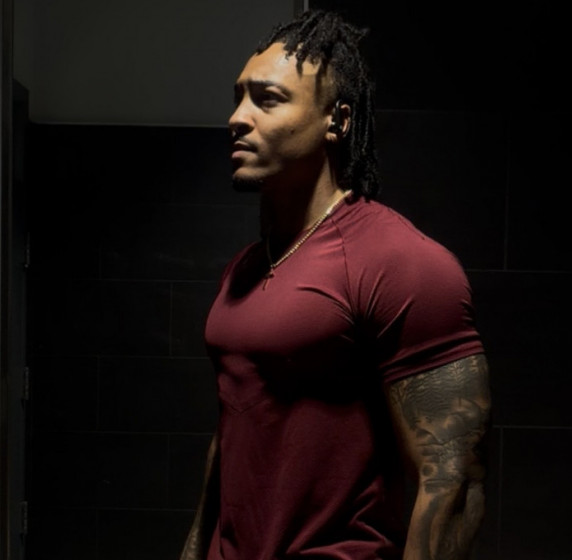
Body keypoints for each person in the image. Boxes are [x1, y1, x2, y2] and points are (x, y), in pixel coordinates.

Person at [181, 9, 491, 560]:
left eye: (267, 99)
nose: (237, 118)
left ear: (337, 120)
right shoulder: (245, 268)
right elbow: (233, 433)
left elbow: (453, 479)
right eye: (238, 97)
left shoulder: (399, 262)